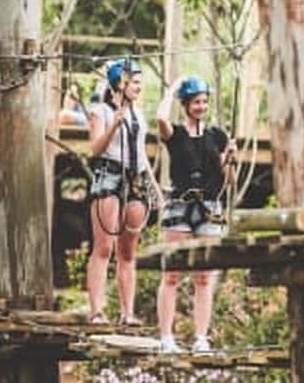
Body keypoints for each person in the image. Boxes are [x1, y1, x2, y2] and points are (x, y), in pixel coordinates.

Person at [156, 75, 234, 354]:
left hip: (210, 207)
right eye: (196, 102)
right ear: (186, 104)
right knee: (172, 275)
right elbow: (160, 119)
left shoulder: (217, 136)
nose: (201, 106)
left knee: (204, 277)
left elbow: (227, 181)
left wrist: (228, 160)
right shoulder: (175, 135)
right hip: (180, 206)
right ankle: (166, 337)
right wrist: (172, 88)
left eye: (204, 101)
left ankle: (201, 337)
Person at [86, 58, 162, 325]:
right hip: (110, 173)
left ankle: (127, 313)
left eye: (141, 82)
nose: (139, 88)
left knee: (128, 250)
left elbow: (141, 153)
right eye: (135, 82)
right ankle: (97, 310)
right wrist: (114, 125)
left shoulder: (139, 115)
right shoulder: (101, 111)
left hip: (136, 177)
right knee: (104, 246)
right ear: (120, 83)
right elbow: (94, 149)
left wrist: (154, 187)